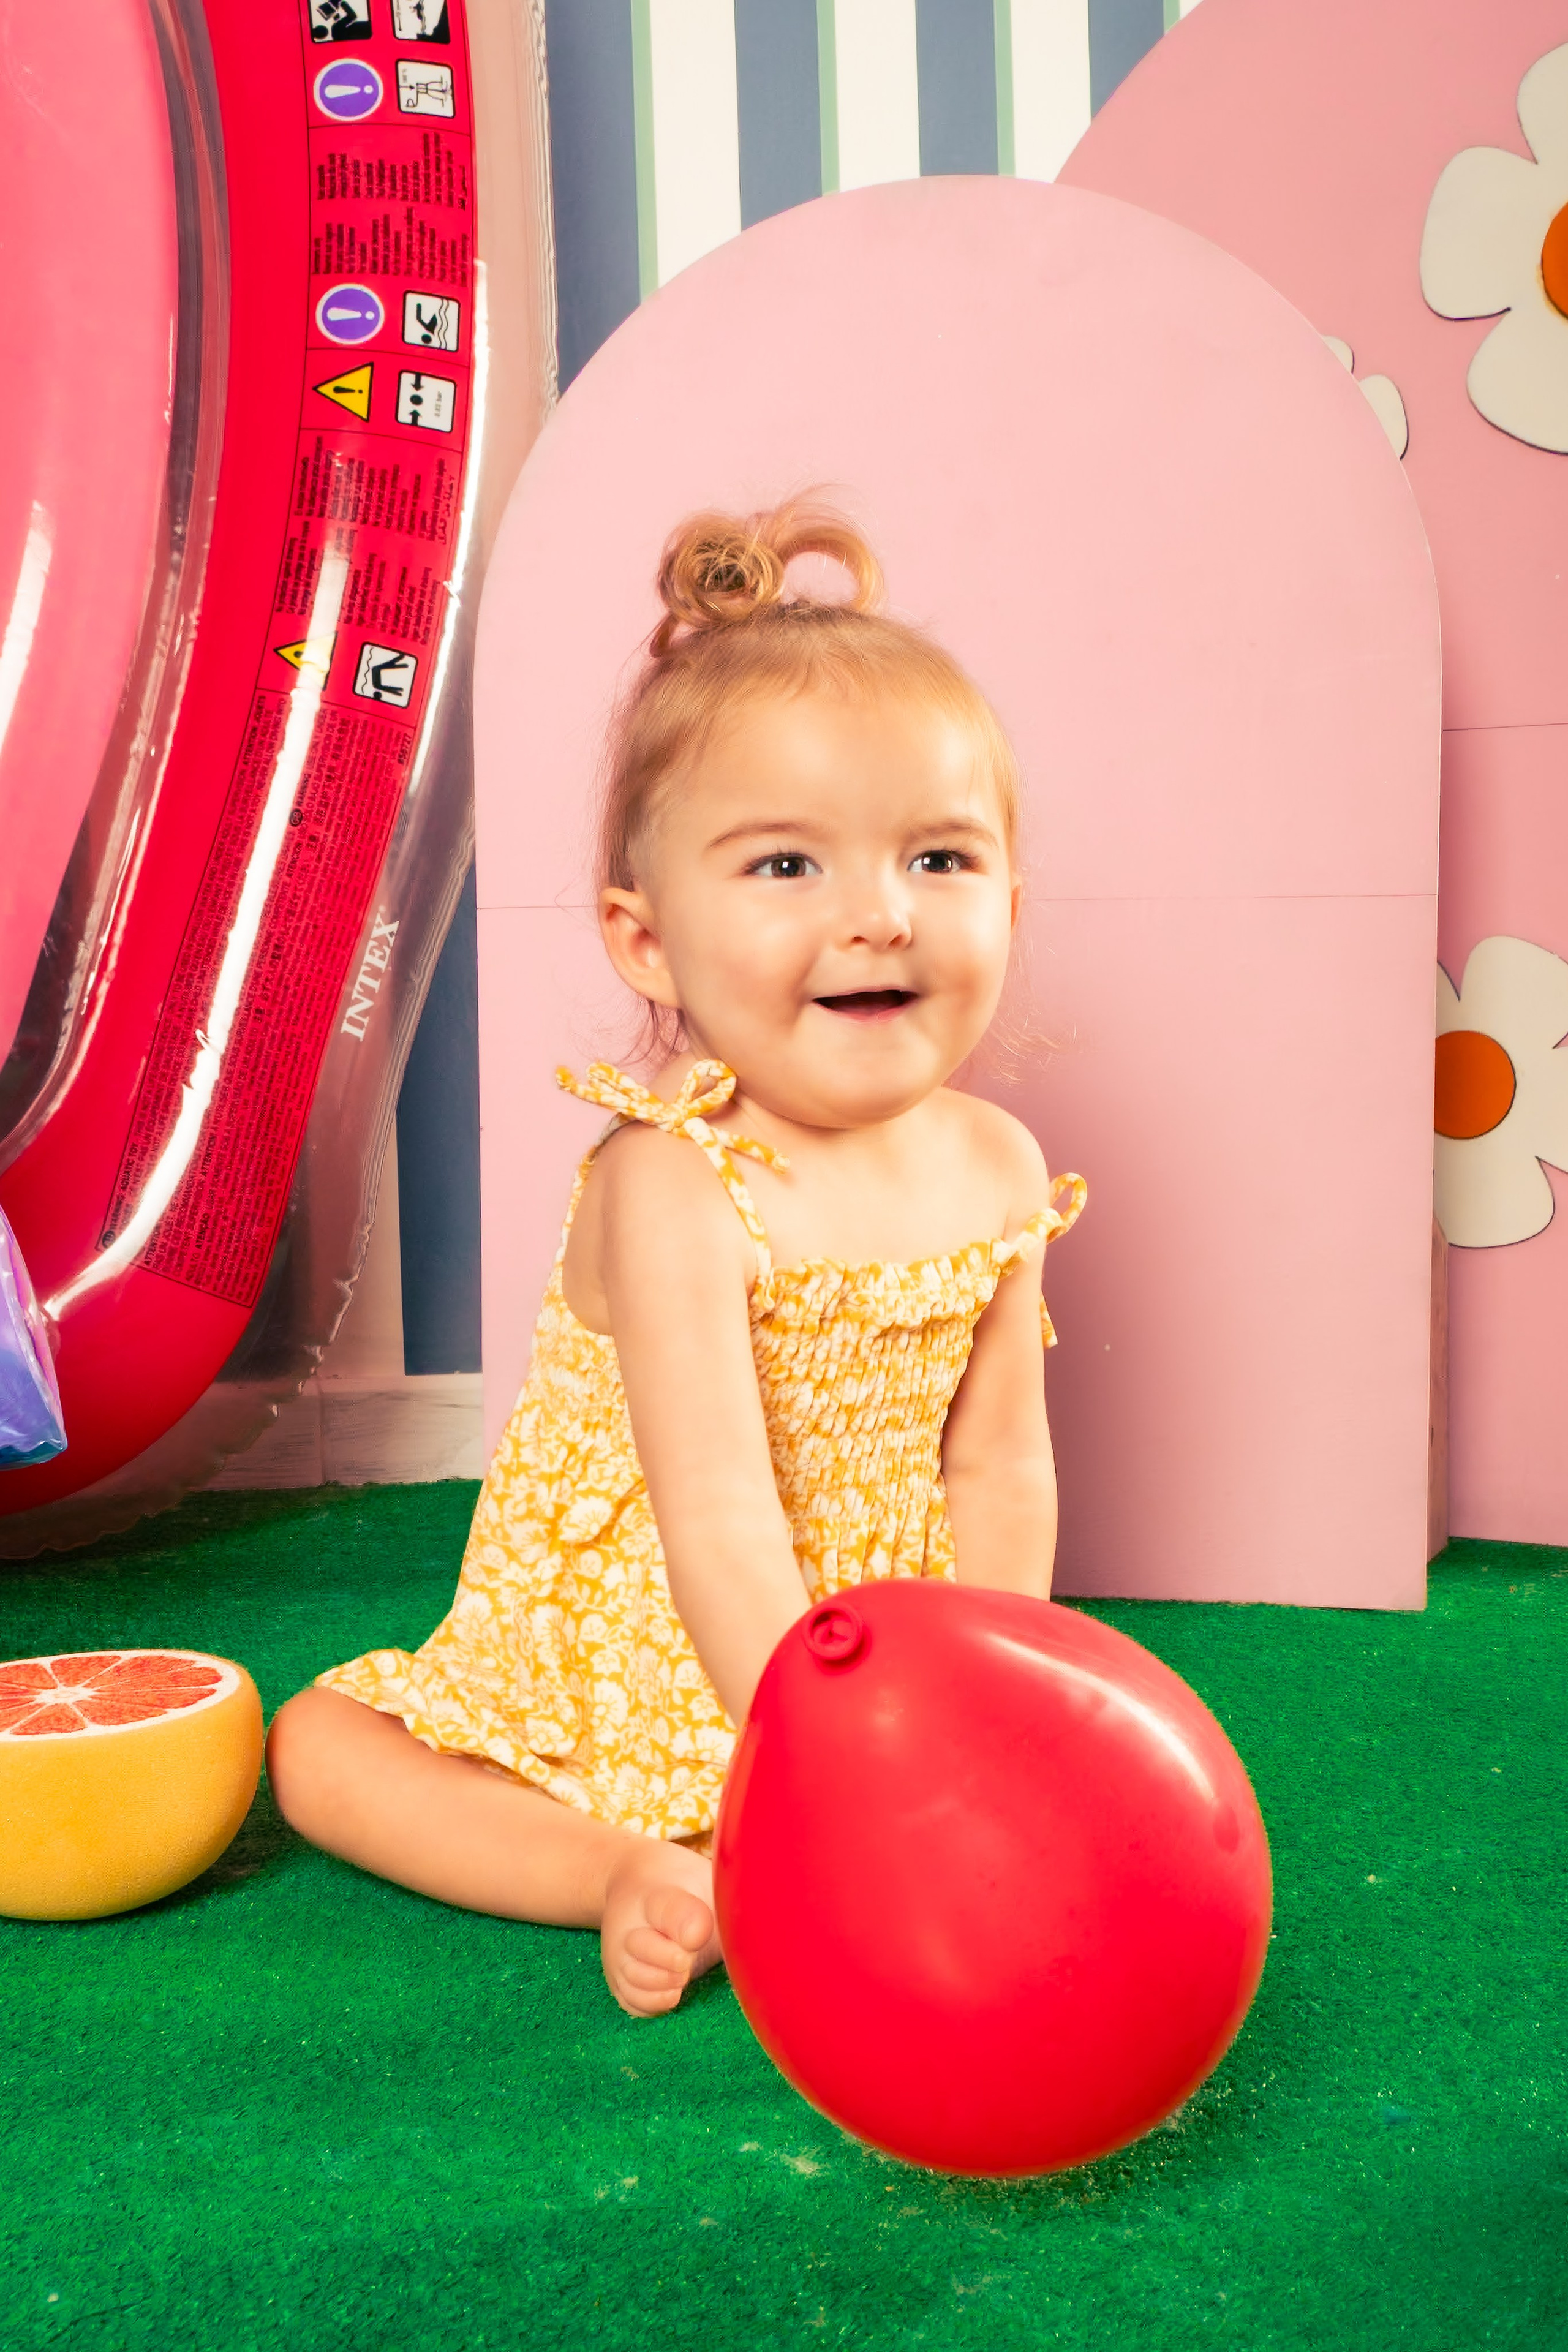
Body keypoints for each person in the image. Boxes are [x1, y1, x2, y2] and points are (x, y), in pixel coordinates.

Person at [266, 500, 1085, 2016]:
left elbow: (998, 1467)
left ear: (1010, 904)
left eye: (939, 857)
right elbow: (714, 1505)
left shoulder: (996, 1168)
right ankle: (617, 1868)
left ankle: (753, 1823)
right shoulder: (674, 1181)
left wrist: (985, 1700)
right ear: (646, 943)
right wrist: (817, 1746)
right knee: (320, 1748)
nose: (878, 914)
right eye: (785, 867)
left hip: (873, 1669)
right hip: (646, 1649)